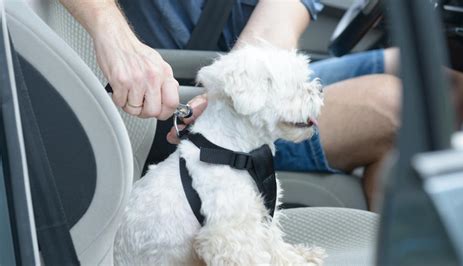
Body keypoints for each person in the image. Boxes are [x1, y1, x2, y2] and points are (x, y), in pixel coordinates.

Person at [58, 0, 402, 208]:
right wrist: (113, 35)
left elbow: (276, 25)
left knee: (445, 83)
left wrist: (227, 89)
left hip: (236, 81)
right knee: (399, 106)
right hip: (163, 97)